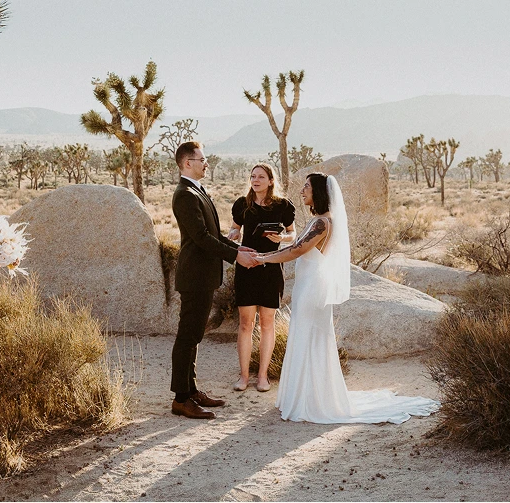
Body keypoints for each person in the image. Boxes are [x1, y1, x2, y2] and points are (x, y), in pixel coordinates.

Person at [250, 172, 439, 424]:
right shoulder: (317, 220)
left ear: (318, 192)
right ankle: (306, 396)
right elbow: (296, 242)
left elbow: (298, 250)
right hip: (307, 285)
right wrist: (278, 241)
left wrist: (263, 258)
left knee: (310, 337)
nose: (302, 190)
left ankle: (311, 401)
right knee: (305, 335)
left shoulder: (322, 223)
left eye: (306, 186)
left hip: (312, 288)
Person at [169, 141, 258, 419]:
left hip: (203, 276)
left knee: (194, 335)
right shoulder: (185, 194)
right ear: (187, 163)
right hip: (194, 276)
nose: (206, 163)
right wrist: (236, 258)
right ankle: (181, 399)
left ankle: (191, 390)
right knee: (187, 336)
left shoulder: (196, 190)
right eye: (202, 159)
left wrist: (238, 249)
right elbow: (201, 238)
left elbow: (213, 234)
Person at [226, 163, 296, 392]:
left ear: (270, 181)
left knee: (267, 323)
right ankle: (244, 376)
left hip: (272, 267)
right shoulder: (242, 204)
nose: (255, 180)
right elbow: (235, 229)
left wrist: (282, 239)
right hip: (247, 266)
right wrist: (234, 234)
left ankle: (263, 376)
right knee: (246, 324)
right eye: (253, 176)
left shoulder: (283, 206)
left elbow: (293, 233)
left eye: (260, 176)